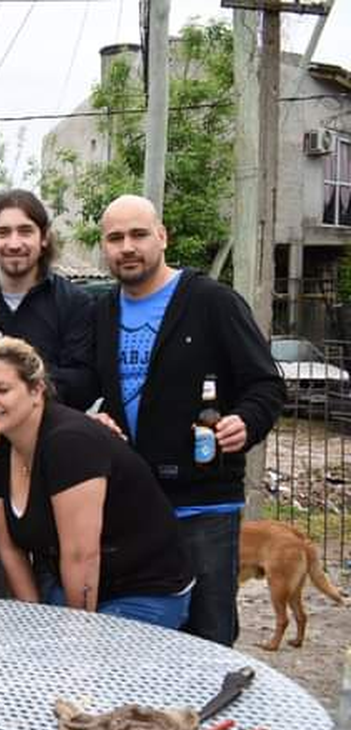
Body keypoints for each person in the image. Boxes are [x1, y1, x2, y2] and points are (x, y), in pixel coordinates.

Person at [91, 194, 285, 645]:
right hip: (133, 505)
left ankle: (212, 718)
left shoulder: (211, 301)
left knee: (209, 636)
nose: (127, 247)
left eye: (138, 234)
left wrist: (246, 421)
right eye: (115, 238)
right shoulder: (101, 312)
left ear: (162, 236)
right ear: (104, 246)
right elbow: (88, 386)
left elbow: (267, 384)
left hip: (204, 504)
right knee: (142, 637)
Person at [0, 337, 194, 627]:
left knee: (92, 668)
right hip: (67, 581)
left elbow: (81, 555)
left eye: (2, 389)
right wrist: (30, 621)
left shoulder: (70, 444)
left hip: (144, 587)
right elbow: (9, 549)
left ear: (36, 390)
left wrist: (77, 638)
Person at [0, 189, 97, 409]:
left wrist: (18, 362)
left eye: (25, 231)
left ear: (43, 238)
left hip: (49, 438)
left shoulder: (75, 303)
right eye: (3, 233)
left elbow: (84, 387)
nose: (14, 244)